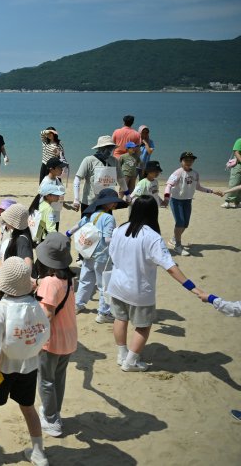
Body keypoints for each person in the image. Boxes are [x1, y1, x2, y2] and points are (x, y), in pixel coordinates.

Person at [106, 195, 204, 372]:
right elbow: (170, 267)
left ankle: (122, 354)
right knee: (143, 326)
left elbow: (112, 255)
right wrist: (193, 288)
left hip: (117, 285)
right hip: (139, 290)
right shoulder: (152, 237)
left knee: (120, 319)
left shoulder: (120, 229)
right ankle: (130, 361)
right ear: (153, 213)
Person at [0, 257, 50, 466]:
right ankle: (38, 452)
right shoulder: (35, 304)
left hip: (3, 369)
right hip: (29, 366)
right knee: (29, 408)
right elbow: (42, 334)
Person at [34, 233, 77, 439]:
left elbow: (47, 314)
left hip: (52, 339)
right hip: (68, 337)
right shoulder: (67, 278)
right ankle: (54, 413)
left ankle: (51, 420)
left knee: (46, 380)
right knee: (59, 378)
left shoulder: (49, 282)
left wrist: (34, 337)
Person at [66, 189, 126, 322]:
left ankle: (78, 304)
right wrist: (120, 238)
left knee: (85, 279)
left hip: (88, 253)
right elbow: (107, 240)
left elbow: (78, 225)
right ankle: (103, 313)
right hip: (102, 256)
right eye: (113, 202)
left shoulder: (91, 214)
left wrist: (68, 234)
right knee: (103, 284)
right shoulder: (109, 218)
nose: (114, 205)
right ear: (106, 203)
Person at [163, 151, 223, 256]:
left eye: (191, 160)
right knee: (180, 222)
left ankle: (174, 239)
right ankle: (178, 245)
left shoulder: (195, 173)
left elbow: (198, 187)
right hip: (176, 200)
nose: (189, 162)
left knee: (185, 224)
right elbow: (168, 185)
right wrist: (166, 199)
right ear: (181, 161)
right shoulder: (177, 173)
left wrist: (213, 191)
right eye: (186, 160)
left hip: (188, 200)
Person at [72, 135, 128, 216]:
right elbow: (77, 178)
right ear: (100, 148)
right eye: (106, 147)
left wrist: (128, 195)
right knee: (87, 227)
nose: (109, 150)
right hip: (90, 202)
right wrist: (76, 199)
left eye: (111, 147)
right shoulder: (89, 160)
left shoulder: (114, 161)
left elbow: (121, 179)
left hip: (107, 203)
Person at [0, 203, 34, 268]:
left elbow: (28, 263)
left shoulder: (22, 240)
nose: (5, 222)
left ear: (12, 222)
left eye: (6, 220)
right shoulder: (21, 234)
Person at [221, 137, 241, 209]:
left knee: (240, 185)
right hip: (238, 166)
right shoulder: (239, 141)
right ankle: (227, 202)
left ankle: (237, 202)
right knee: (234, 183)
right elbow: (236, 153)